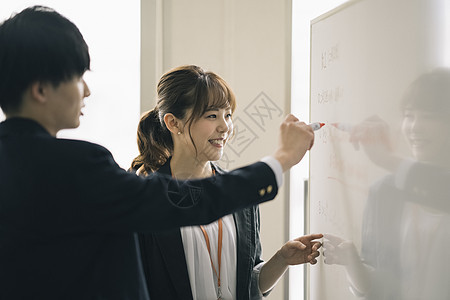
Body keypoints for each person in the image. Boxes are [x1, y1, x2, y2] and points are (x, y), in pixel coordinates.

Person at [0, 6, 315, 300]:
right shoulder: (81, 167)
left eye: (227, 114)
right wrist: (282, 158)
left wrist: (281, 259)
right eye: (77, 76)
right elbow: (191, 202)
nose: (86, 90)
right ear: (40, 89)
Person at [130, 65, 323, 300]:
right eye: (211, 116)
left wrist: (281, 259)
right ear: (173, 123)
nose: (225, 127)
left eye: (228, 114)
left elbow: (247, 285)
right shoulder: (147, 200)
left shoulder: (239, 194)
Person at [323, 68, 450, 299]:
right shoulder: (384, 191)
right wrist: (353, 263)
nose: (415, 127)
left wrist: (388, 159)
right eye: (409, 115)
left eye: (430, 116)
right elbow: (376, 290)